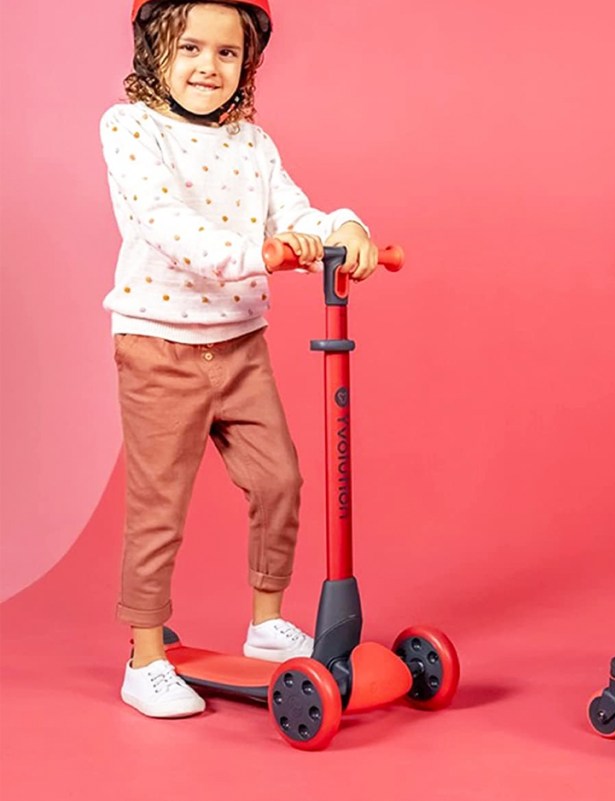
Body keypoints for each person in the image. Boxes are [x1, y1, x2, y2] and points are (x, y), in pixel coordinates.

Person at [101, 0, 380, 718]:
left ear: (247, 66)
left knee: (279, 477)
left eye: (227, 55)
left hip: (239, 343)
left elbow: (294, 212)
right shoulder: (131, 128)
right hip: (159, 343)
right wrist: (248, 254)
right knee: (159, 504)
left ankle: (264, 622)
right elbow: (162, 219)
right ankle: (145, 655)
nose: (208, 66)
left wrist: (343, 225)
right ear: (154, 50)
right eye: (190, 47)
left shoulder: (252, 144)